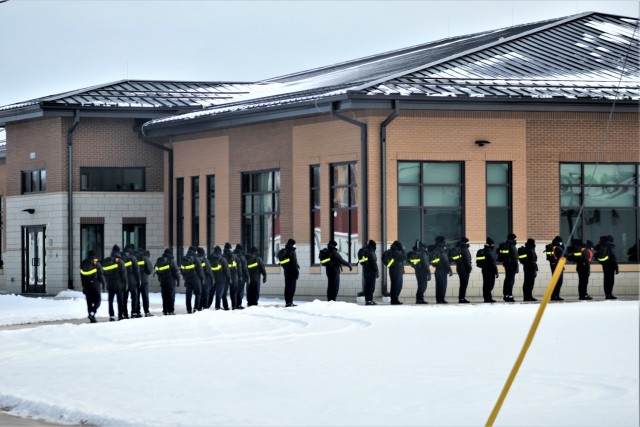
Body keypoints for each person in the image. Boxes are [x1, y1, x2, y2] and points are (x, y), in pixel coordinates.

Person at [101, 245, 128, 321]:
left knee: (110, 301)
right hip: (119, 285)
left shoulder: (107, 261)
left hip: (110, 284)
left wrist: (106, 281)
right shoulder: (120, 261)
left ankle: (111, 316)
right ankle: (120, 315)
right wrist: (125, 284)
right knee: (120, 301)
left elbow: (103, 272)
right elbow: (124, 274)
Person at [80, 250, 105, 323]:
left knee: (89, 301)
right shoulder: (96, 263)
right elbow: (101, 275)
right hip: (95, 285)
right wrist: (103, 284)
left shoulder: (84, 263)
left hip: (86, 285)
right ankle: (93, 312)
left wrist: (83, 284)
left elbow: (81, 276)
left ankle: (91, 315)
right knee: (98, 300)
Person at [155, 248, 180, 315]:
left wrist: (160, 278)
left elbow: (157, 269)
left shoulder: (159, 260)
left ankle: (165, 310)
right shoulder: (171, 260)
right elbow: (176, 271)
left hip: (163, 281)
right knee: (171, 296)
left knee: (164, 296)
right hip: (170, 281)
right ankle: (171, 310)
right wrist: (178, 280)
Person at [181, 246, 204, 313]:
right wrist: (202, 278)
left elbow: (182, 270)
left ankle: (188, 309)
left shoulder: (184, 258)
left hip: (187, 279)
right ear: (195, 251)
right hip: (195, 278)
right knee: (198, 293)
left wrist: (185, 278)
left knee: (188, 294)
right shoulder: (196, 258)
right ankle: (196, 308)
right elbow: (200, 269)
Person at [431, 236, 453, 304]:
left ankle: (438, 299)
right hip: (443, 271)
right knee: (443, 286)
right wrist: (450, 269)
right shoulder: (443, 250)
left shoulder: (435, 249)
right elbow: (445, 261)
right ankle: (441, 299)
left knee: (438, 286)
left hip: (437, 270)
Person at [279, 239, 300, 307]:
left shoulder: (286, 250)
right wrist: (296, 272)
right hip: (292, 272)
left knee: (287, 287)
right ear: (293, 244)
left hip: (287, 272)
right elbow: (293, 262)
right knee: (291, 287)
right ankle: (290, 302)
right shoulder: (292, 251)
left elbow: (287, 262)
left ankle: (287, 302)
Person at [596, 235, 619, 299]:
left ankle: (607, 294)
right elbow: (613, 257)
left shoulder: (602, 245)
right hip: (611, 265)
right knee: (610, 281)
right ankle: (609, 294)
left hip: (605, 265)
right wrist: (616, 267)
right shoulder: (611, 246)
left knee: (606, 280)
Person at [208, 246, 231, 310]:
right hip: (221, 278)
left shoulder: (210, 258)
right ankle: (217, 306)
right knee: (219, 292)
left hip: (212, 277)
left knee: (211, 292)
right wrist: (229, 278)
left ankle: (206, 305)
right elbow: (227, 269)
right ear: (220, 251)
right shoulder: (222, 259)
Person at [121, 245, 141, 318]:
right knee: (134, 297)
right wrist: (139, 280)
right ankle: (133, 312)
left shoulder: (120, 259)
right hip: (133, 282)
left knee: (124, 298)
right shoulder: (133, 258)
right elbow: (137, 271)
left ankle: (125, 313)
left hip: (124, 282)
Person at [385, 240, 407, 305]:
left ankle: (394, 299)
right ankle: (394, 300)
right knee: (397, 286)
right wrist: (403, 250)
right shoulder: (396, 252)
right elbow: (404, 257)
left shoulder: (392, 251)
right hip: (396, 271)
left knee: (395, 285)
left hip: (395, 270)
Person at [359, 240, 380, 305]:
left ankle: (367, 300)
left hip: (366, 271)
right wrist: (377, 271)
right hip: (371, 271)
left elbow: (362, 261)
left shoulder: (365, 251)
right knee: (371, 286)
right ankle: (370, 300)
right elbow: (374, 262)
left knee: (367, 286)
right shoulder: (371, 251)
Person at [453, 237, 472, 303]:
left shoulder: (459, 248)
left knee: (462, 284)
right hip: (464, 269)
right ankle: (462, 298)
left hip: (459, 268)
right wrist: (469, 268)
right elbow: (467, 260)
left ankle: (461, 298)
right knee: (464, 284)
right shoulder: (464, 248)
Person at [135, 248, 154, 317]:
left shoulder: (134, 258)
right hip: (144, 280)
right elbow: (149, 270)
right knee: (145, 296)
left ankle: (137, 312)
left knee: (137, 297)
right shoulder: (145, 258)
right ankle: (146, 311)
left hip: (136, 280)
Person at [223, 243, 242, 309]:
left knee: (224, 293)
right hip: (234, 276)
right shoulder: (234, 256)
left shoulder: (222, 256)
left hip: (225, 277)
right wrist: (240, 276)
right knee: (233, 293)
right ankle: (234, 306)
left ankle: (226, 307)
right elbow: (239, 267)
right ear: (230, 248)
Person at [501, 233, 519, 302]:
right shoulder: (512, 246)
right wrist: (516, 267)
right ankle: (509, 296)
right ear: (513, 239)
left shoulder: (505, 245)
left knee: (507, 280)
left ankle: (506, 295)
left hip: (506, 265)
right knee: (510, 281)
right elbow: (514, 258)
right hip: (512, 266)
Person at [481, 238, 499, 303]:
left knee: (486, 284)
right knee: (489, 284)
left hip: (485, 270)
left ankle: (487, 297)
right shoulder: (489, 251)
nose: (494, 245)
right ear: (490, 244)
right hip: (490, 270)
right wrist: (496, 271)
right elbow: (493, 263)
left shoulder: (486, 250)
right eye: (493, 244)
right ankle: (487, 298)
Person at [548, 235, 565, 301]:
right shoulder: (558, 248)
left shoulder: (552, 246)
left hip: (553, 265)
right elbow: (563, 256)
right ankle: (555, 296)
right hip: (557, 266)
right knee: (559, 281)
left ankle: (555, 295)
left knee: (556, 281)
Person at [233, 244, 250, 309]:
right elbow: (245, 269)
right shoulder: (242, 257)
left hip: (233, 276)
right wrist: (247, 277)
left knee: (234, 291)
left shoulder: (232, 256)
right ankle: (238, 304)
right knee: (240, 291)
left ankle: (234, 304)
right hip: (240, 277)